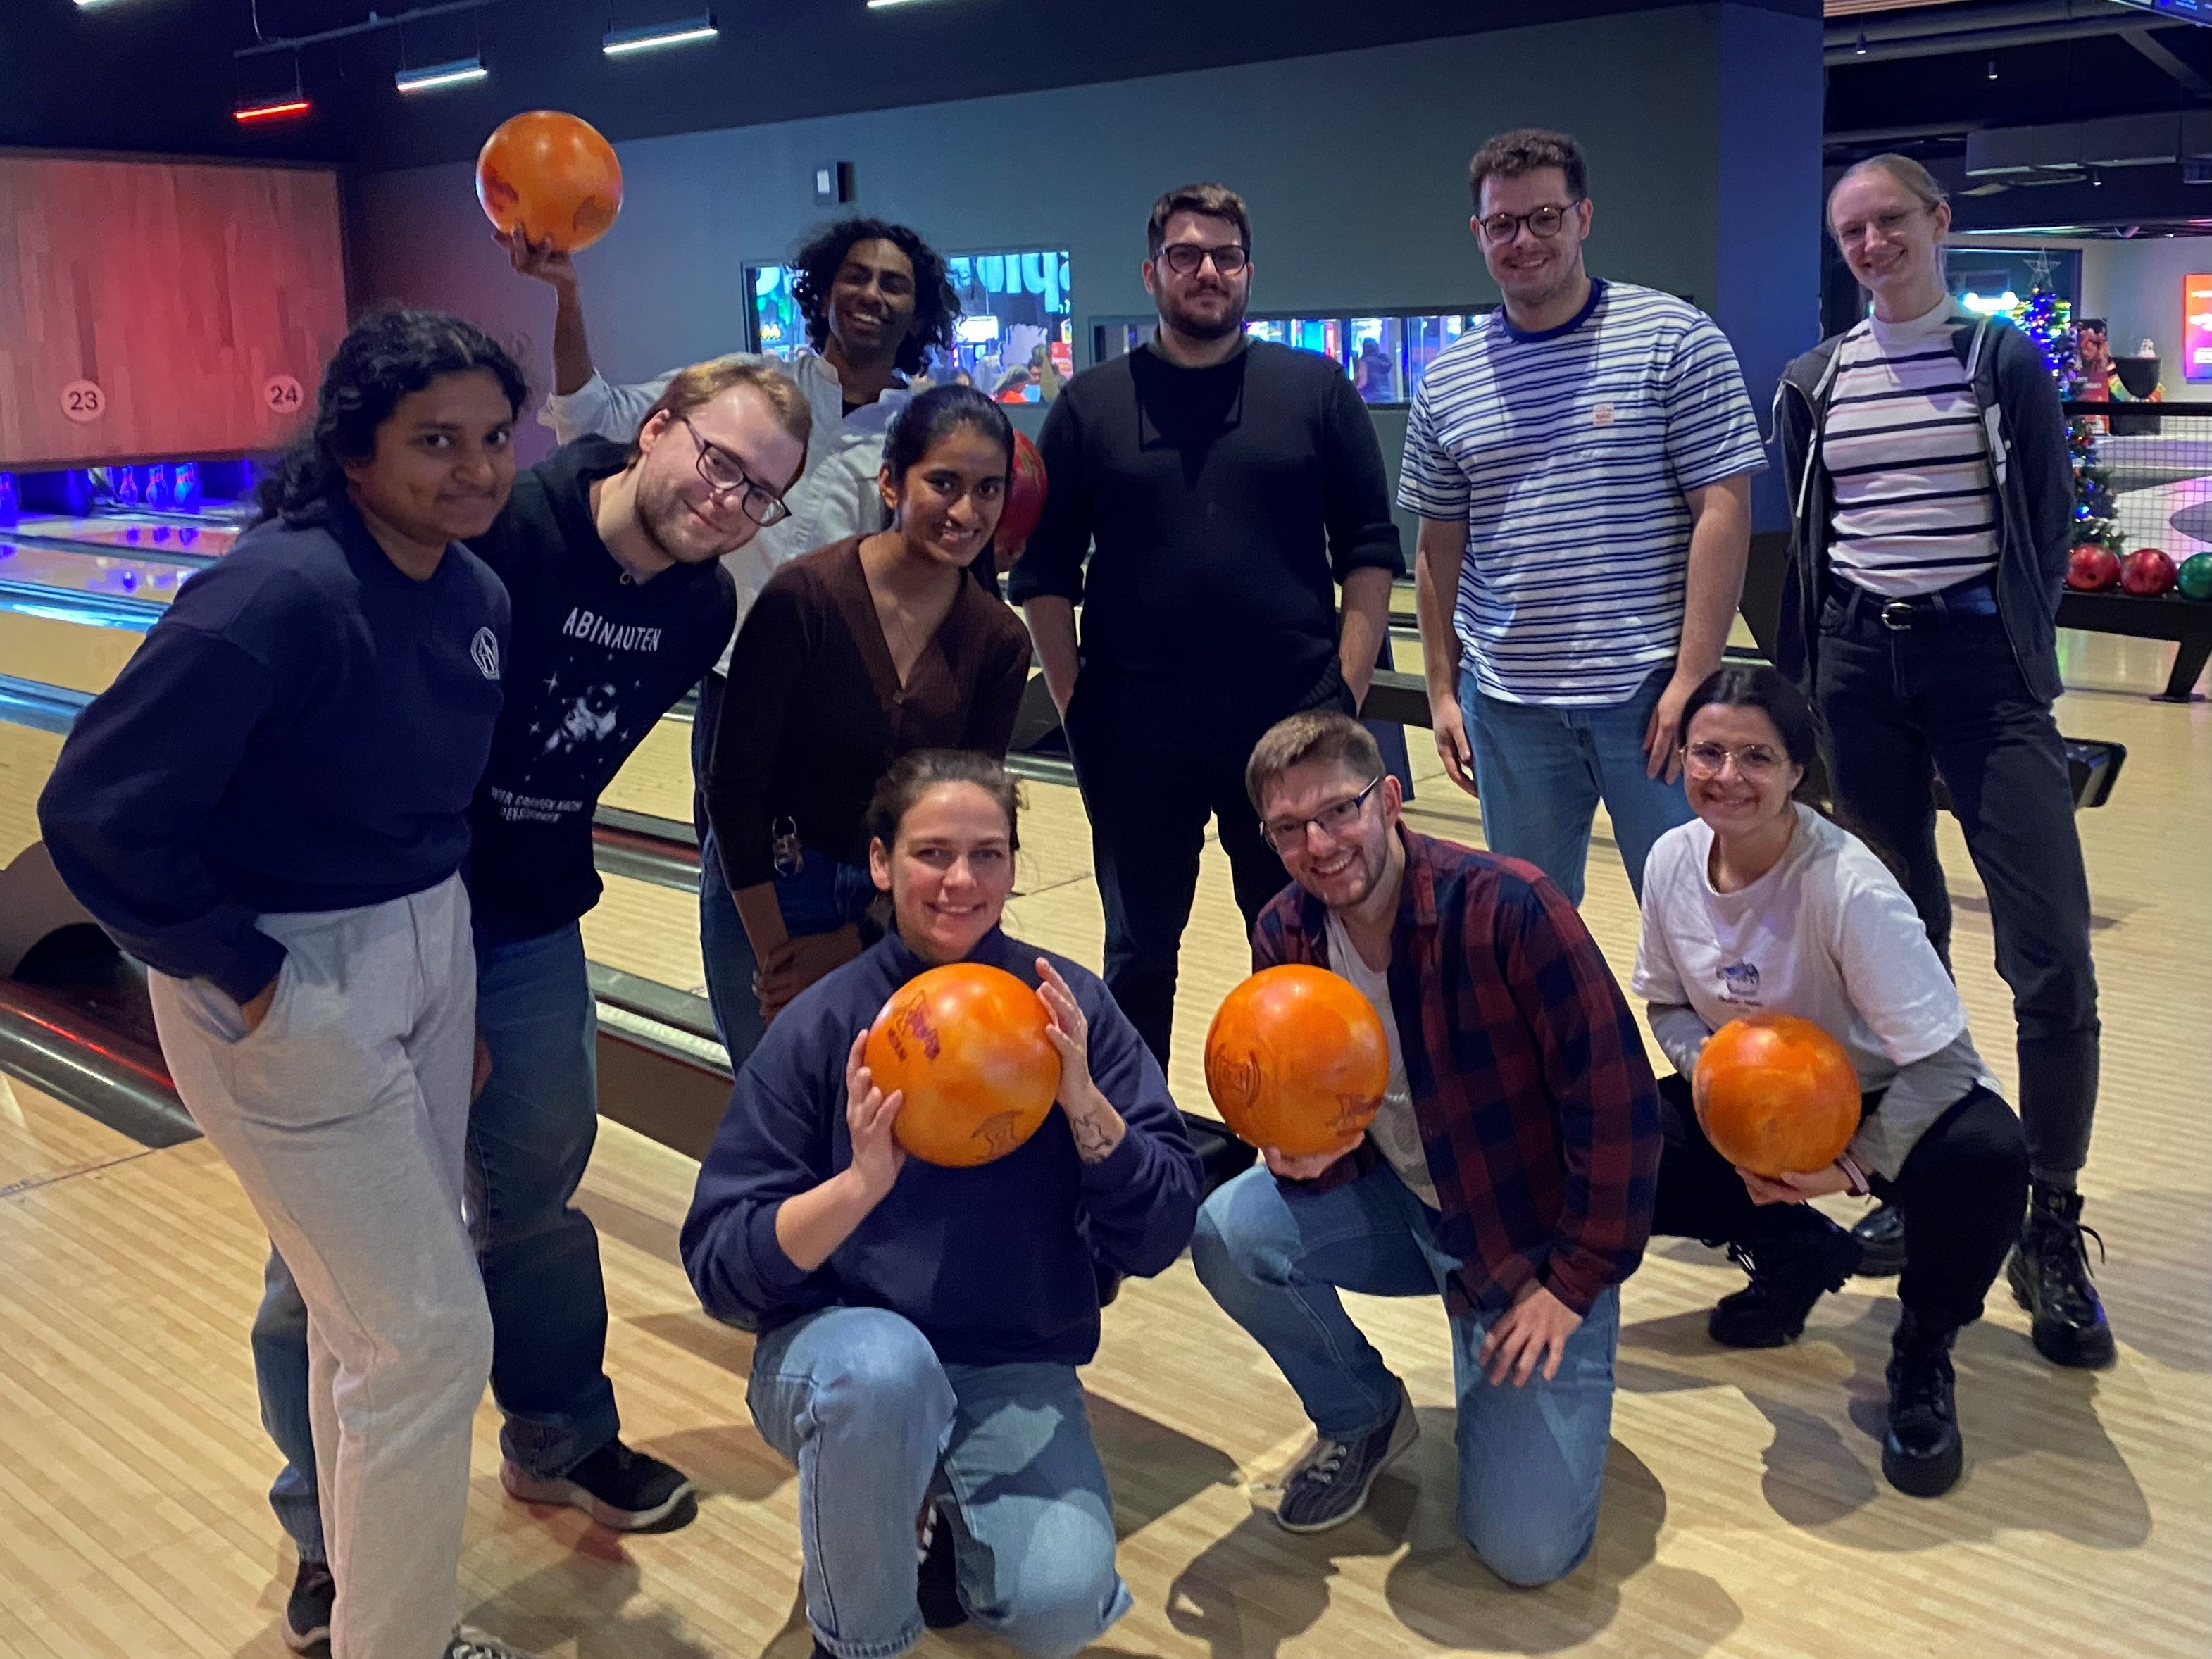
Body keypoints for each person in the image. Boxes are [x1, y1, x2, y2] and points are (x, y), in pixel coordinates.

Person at [247, 358, 812, 1648]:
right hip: (385, 913)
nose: (728, 500)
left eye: (760, 492)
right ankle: (330, 1530)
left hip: (533, 922)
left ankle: (559, 1434)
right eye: (716, 461)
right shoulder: (504, 527)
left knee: (538, 1195)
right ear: (655, 429)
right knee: (328, 1253)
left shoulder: (697, 608)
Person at [37, 311, 542, 1659]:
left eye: (494, 439)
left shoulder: (471, 593)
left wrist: (463, 990)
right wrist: (247, 973)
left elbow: (445, 820)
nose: (474, 470)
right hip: (288, 971)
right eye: (435, 440)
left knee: (365, 1325)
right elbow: (94, 808)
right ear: (354, 447)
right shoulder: (278, 594)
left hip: (426, 951)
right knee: (429, 1334)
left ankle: (362, 1608)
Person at [681, 750, 1201, 1659]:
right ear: (881, 864)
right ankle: (857, 1633)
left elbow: (1161, 1231)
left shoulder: (1069, 1010)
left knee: (1061, 1606)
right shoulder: (822, 1023)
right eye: (931, 853)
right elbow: (719, 1265)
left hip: (1010, 1360)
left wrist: (1084, 1108)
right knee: (884, 1378)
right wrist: (858, 1187)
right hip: (845, 1358)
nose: (961, 880)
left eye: (988, 854)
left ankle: (906, 1513)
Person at [1192, 711, 1661, 1585]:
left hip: (1527, 1236)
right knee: (1230, 1231)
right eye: (1289, 828)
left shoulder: (1510, 907)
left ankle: (1526, 1358)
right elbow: (1305, 1090)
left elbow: (1620, 1105)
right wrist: (1298, 1150)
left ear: (1391, 798)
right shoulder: (1285, 932)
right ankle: (1362, 1411)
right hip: (1403, 1201)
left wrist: (1571, 1285)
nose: (1319, 843)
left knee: (1524, 1552)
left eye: (1339, 811)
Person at [1774, 154, 2110, 1369]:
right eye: (1851, 230)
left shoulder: (1996, 360)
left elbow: (2050, 518)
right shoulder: (1817, 382)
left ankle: (2051, 1216)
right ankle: (1926, 1173)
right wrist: (1813, 677)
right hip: (1861, 673)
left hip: (1984, 676)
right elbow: (1811, 540)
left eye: (1890, 222)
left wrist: (2019, 644)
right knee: (1891, 940)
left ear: (1937, 224)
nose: (1871, 244)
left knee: (2050, 952)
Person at [504, 214, 963, 1062]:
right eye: (855, 275)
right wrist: (566, 295)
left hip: (853, 700)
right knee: (737, 864)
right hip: (737, 683)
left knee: (860, 868)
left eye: (893, 282)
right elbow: (591, 415)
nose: (870, 293)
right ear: (824, 289)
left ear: (918, 308)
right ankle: (759, 1054)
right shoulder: (751, 389)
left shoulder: (922, 424)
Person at [1008, 182, 1404, 1072]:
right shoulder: (1091, 405)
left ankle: (1306, 1124)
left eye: (1225, 256)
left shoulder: (1315, 391)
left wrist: (1341, 697)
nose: (1207, 272)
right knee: (1140, 951)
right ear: (1152, 272)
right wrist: (1080, 712)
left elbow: (1371, 552)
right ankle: (1135, 1139)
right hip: (1136, 734)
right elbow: (1042, 573)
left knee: (1300, 941)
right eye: (1185, 255)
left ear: (1249, 272)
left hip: (1291, 729)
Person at [1635, 665, 2030, 1497]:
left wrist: (1852, 1165)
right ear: (1680, 758)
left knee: (1989, 1154)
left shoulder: (1849, 886)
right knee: (1627, 1141)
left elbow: (1945, 1062)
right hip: (1767, 1097)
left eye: (1756, 757)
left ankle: (1923, 1345)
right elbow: (1668, 1005)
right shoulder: (1671, 860)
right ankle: (1793, 1254)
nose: (1728, 777)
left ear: (1796, 772)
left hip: (1888, 1093)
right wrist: (1718, 1082)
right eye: (1708, 752)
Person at [1402, 127, 1765, 906]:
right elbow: (1437, 548)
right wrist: (1441, 689)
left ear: (1584, 217)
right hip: (1508, 708)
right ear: (1479, 233)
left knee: (1699, 920)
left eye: (1545, 218)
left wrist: (1693, 673)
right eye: (1503, 224)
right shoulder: (1448, 378)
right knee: (1532, 934)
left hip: (1650, 698)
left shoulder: (1675, 341)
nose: (1524, 240)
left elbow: (1724, 512)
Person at [703, 386, 1034, 1036]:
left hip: (908, 901)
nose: (966, 510)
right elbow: (733, 789)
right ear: (890, 484)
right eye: (943, 482)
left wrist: (859, 938)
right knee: (785, 1116)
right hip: (767, 889)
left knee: (898, 1115)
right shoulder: (804, 598)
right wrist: (778, 958)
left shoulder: (998, 641)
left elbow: (968, 810)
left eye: (988, 489)